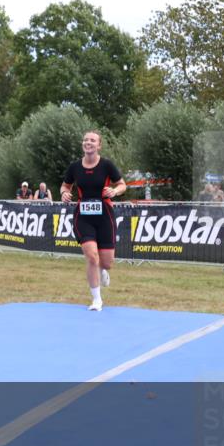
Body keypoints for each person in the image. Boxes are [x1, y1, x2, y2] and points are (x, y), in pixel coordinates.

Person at [60, 131, 126, 312]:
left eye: (92, 140)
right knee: (91, 256)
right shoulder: (74, 167)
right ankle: (97, 299)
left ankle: (103, 271)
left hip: (105, 215)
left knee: (106, 263)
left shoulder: (106, 165)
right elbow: (65, 185)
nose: (88, 142)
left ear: (99, 146)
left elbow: (122, 184)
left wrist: (115, 192)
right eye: (86, 140)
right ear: (83, 144)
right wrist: (64, 193)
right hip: (83, 216)